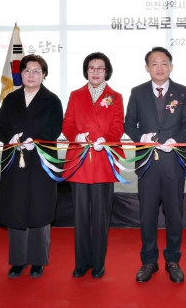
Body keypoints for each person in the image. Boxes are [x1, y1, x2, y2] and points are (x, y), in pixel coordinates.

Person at [124, 46, 186, 283]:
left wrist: (177, 140)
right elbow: (129, 124)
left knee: (175, 216)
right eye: (154, 63)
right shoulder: (137, 92)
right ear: (147, 68)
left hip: (173, 162)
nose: (159, 67)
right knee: (147, 217)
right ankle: (149, 261)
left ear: (171, 66)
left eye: (164, 63)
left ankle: (173, 260)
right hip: (147, 164)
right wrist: (141, 138)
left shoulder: (184, 92)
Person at [0, 55, 63, 279]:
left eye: (36, 71)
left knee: (39, 209)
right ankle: (17, 261)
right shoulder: (10, 98)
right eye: (27, 70)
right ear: (20, 74)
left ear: (44, 75)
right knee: (15, 208)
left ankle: (38, 260)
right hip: (15, 160)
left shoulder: (52, 100)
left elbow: (55, 129)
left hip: (41, 161)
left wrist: (37, 140)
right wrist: (10, 137)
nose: (31, 75)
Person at [62, 52, 125, 279]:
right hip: (79, 161)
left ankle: (98, 263)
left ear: (106, 71)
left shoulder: (115, 97)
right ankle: (81, 263)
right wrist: (75, 136)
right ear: (86, 71)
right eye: (91, 68)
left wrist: (105, 141)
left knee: (101, 216)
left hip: (103, 160)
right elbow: (67, 124)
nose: (96, 72)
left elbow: (118, 127)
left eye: (100, 68)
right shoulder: (75, 95)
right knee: (80, 217)